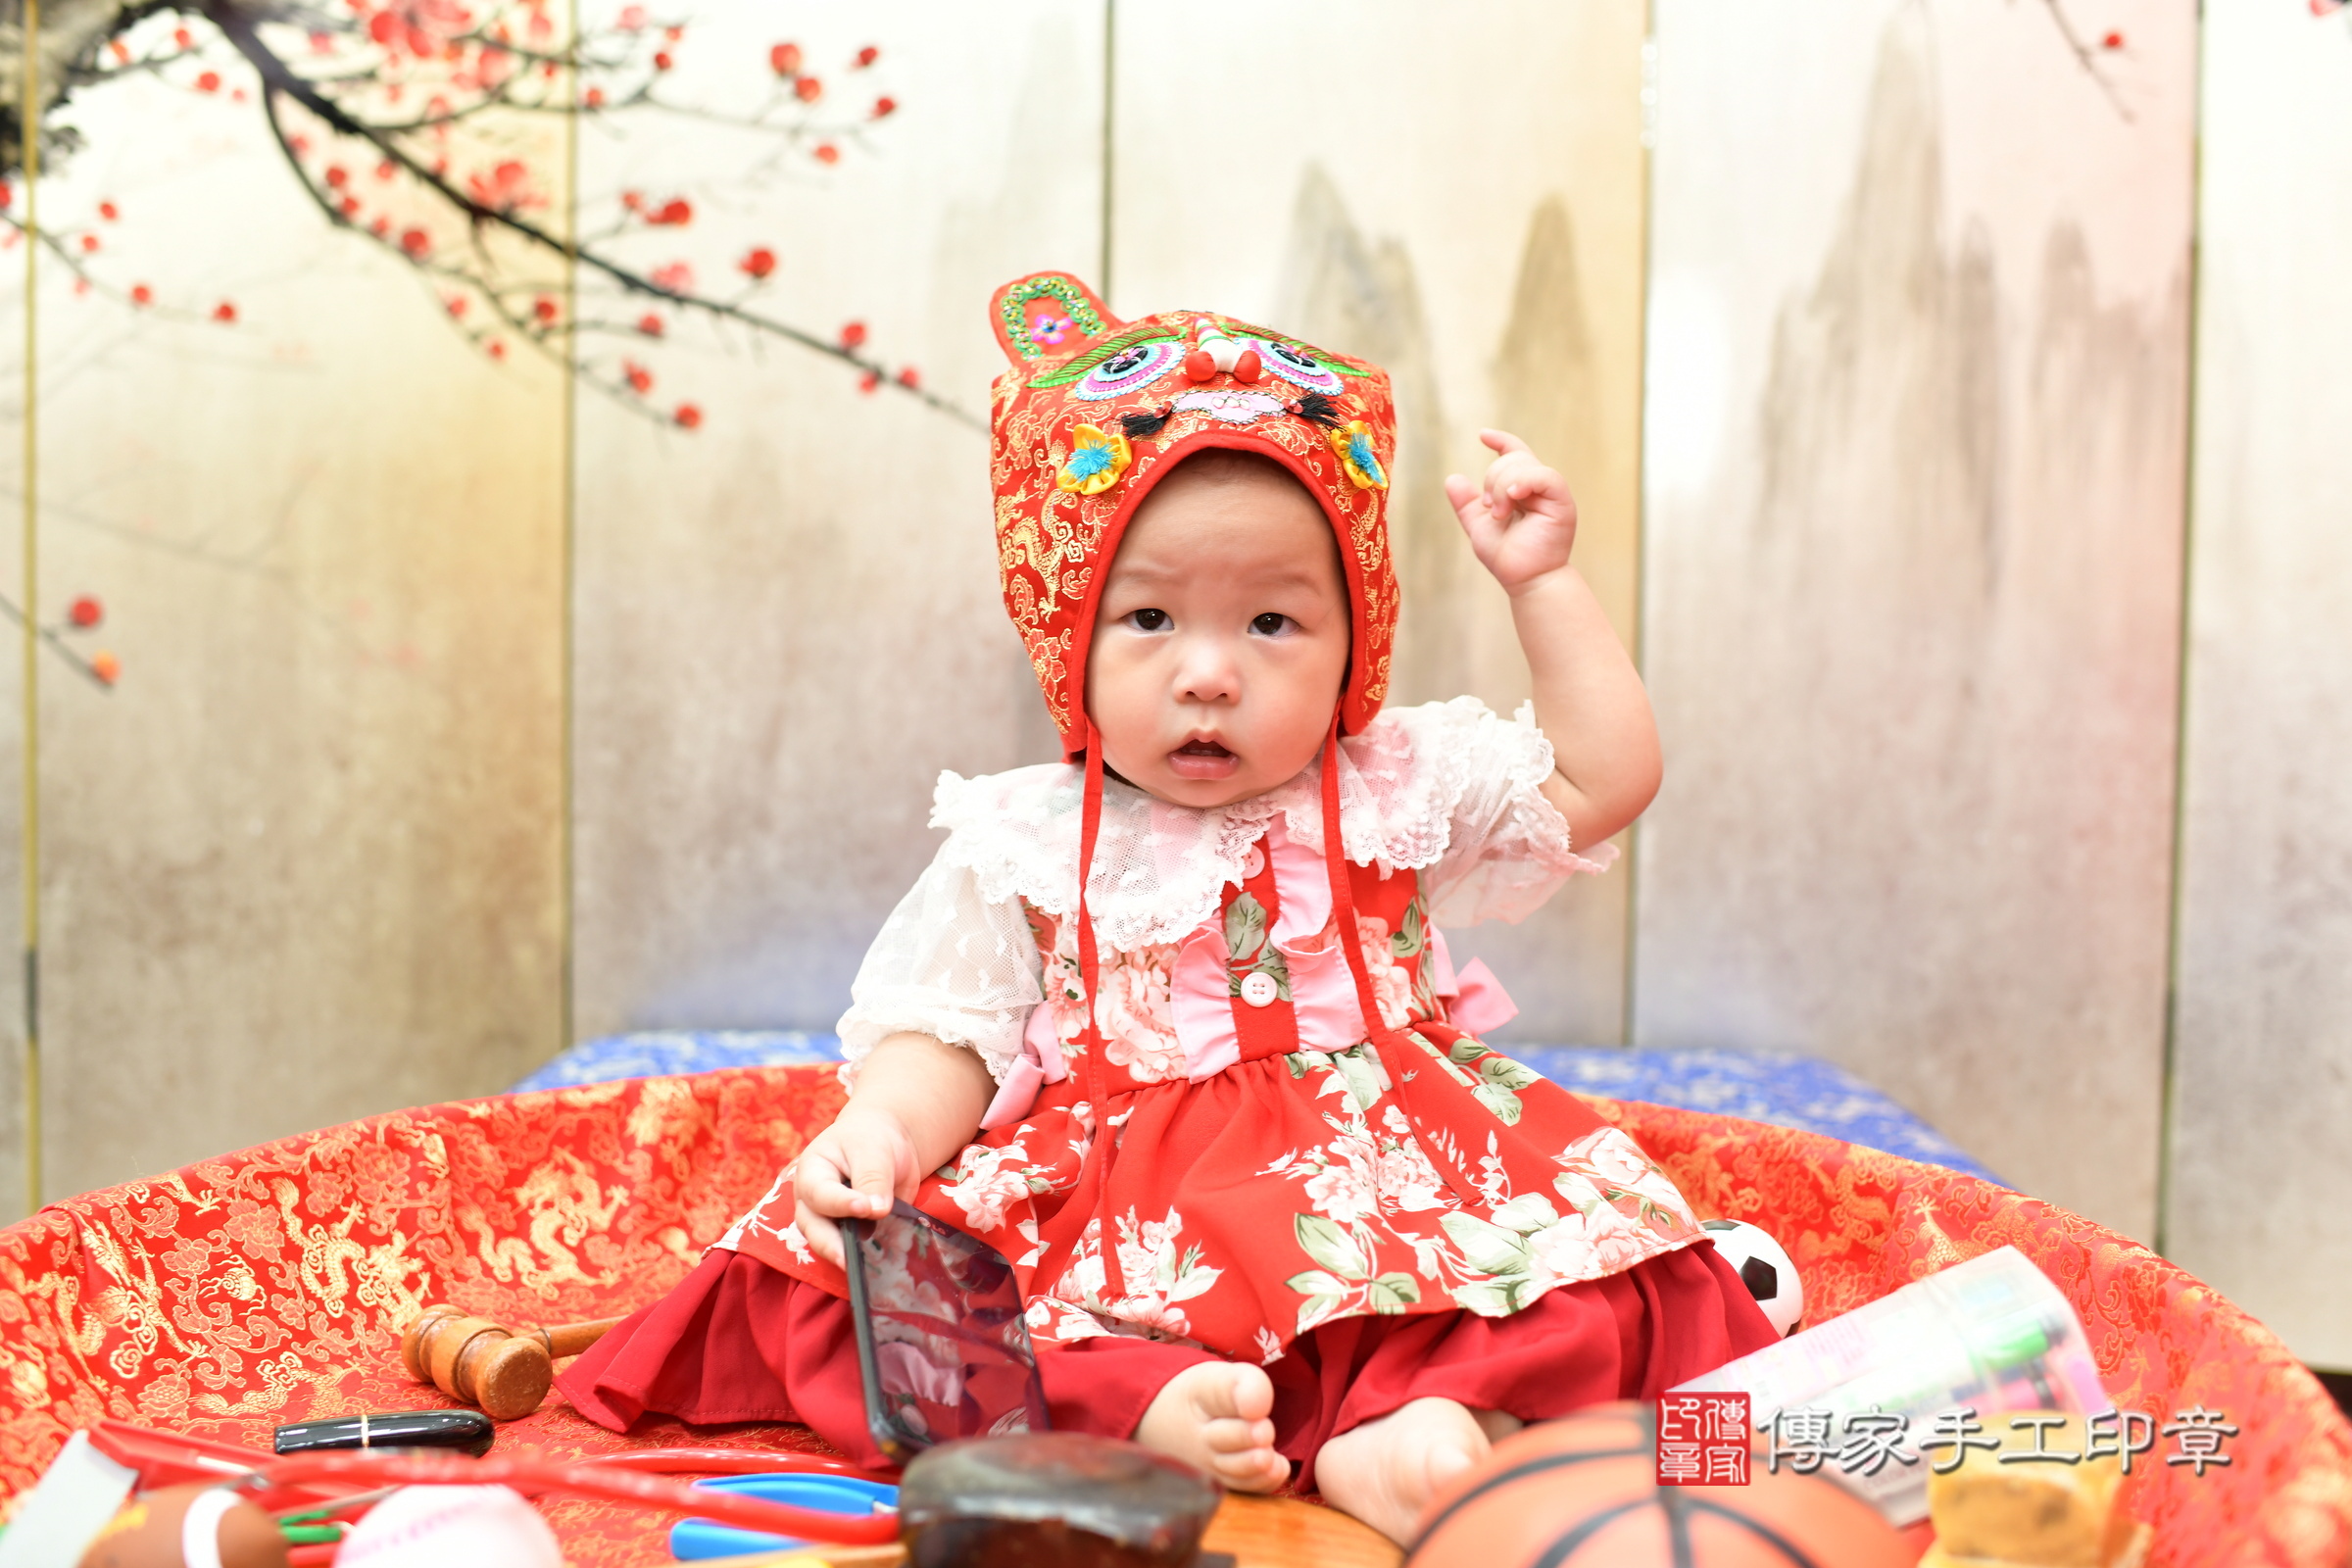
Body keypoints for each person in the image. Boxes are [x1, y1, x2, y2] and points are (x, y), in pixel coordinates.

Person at [561, 272, 1777, 1543]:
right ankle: (1149, 1402)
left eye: (1272, 622)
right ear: (1067, 639)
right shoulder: (1030, 837)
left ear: (1354, 643)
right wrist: (885, 1132)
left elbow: (1601, 778)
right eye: (1148, 617)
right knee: (873, 1289)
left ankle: (1402, 1428)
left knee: (1544, 1276)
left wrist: (1543, 587)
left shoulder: (1391, 787)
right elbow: (955, 1035)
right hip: (1123, 1184)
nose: (1208, 673)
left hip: (1377, 1158)